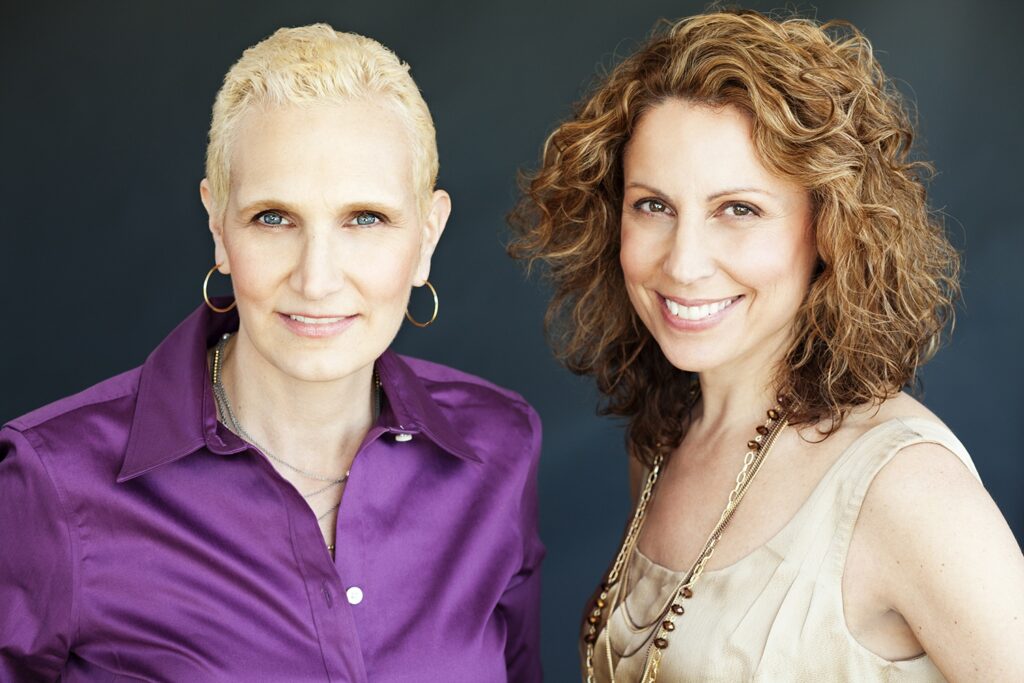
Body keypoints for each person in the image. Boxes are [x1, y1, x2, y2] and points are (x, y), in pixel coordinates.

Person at [0, 24, 543, 682]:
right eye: (273, 218)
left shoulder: (499, 447)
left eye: (365, 218)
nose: (316, 278)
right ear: (218, 227)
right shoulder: (52, 481)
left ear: (427, 235)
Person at [510, 9, 1023, 682]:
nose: (685, 263)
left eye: (739, 210)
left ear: (829, 227)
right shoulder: (663, 440)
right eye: (653, 205)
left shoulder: (906, 490)